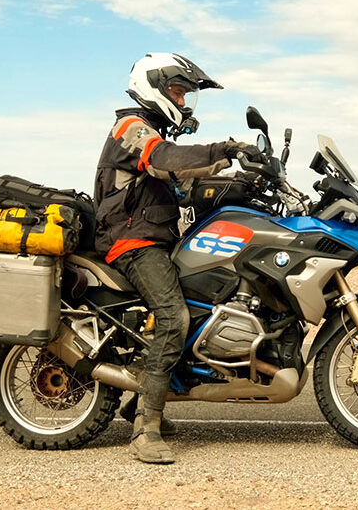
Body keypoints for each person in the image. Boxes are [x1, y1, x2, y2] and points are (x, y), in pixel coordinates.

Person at [94, 52, 258, 464]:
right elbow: (166, 161)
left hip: (155, 239)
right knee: (174, 316)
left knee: (202, 303)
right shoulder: (132, 128)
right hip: (130, 242)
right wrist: (226, 148)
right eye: (179, 92)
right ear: (154, 87)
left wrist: (242, 181)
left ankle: (145, 394)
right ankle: (145, 427)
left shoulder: (151, 132)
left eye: (186, 95)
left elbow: (184, 183)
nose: (183, 103)